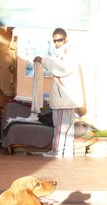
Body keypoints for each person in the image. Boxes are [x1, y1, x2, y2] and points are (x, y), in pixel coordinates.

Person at [34, 28, 84, 158]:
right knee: (67, 127)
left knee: (61, 126)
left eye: (59, 40)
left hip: (64, 97)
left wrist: (42, 60)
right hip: (67, 97)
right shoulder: (66, 52)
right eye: (55, 40)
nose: (57, 43)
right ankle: (66, 152)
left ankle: (56, 151)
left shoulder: (68, 52)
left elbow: (60, 68)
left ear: (65, 39)